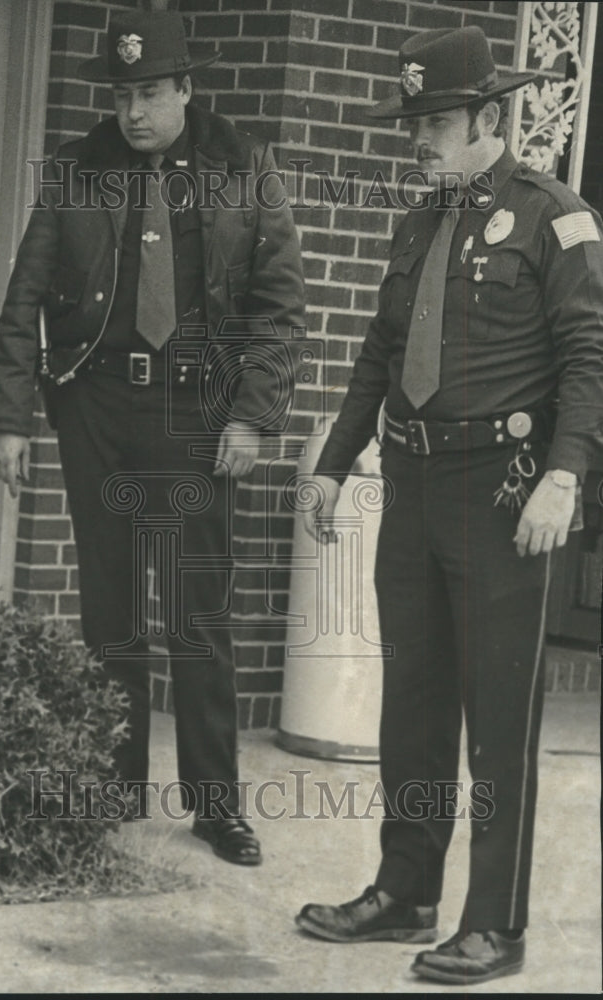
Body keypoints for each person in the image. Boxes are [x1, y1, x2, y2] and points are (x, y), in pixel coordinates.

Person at [295, 25, 603, 984]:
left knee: (496, 717)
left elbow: (590, 357)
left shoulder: (554, 217)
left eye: (434, 121)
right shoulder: (416, 224)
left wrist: (564, 475)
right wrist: (333, 464)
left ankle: (494, 923)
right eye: (411, 122)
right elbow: (379, 359)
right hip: (414, 484)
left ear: (488, 116)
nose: (417, 139)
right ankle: (404, 891)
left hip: (506, 492)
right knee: (415, 704)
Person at [0, 10, 305, 865]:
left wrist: (252, 414)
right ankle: (113, 786)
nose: (134, 112)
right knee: (111, 609)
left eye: (151, 93)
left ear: (186, 90)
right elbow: (25, 301)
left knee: (197, 615)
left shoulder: (243, 166)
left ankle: (215, 805)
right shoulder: (76, 170)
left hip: (200, 416)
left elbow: (278, 310)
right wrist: (8, 417)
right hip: (100, 411)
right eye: (122, 95)